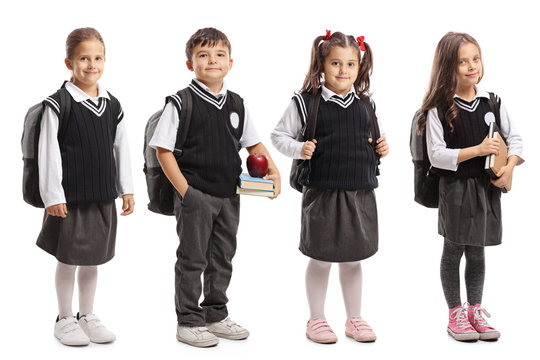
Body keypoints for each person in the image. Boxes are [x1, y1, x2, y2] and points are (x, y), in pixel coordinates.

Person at [149, 27, 281, 348]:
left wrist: (274, 172)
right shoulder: (181, 102)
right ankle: (189, 320)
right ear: (189, 63)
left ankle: (216, 314)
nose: (212, 60)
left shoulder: (237, 104)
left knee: (222, 256)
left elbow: (254, 144)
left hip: (230, 195)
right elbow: (163, 150)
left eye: (220, 54)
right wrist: (185, 192)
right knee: (193, 258)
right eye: (203, 55)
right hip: (195, 195)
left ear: (230, 62)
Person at [271, 30, 388, 344]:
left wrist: (381, 146)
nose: (343, 70)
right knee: (321, 258)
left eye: (351, 64)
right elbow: (279, 136)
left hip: (360, 192)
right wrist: (299, 149)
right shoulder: (306, 102)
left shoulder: (366, 104)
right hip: (322, 192)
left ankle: (354, 318)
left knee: (353, 259)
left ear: (359, 66)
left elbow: (367, 137)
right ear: (321, 64)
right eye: (336, 63)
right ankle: (317, 319)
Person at [417, 32, 524, 341]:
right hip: (455, 190)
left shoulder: (493, 101)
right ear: (446, 67)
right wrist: (477, 150)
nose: (470, 66)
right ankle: (455, 314)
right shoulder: (438, 109)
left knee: (477, 252)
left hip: (485, 188)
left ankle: (475, 310)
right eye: (461, 61)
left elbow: (514, 139)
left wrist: (510, 168)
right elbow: (436, 155)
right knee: (454, 250)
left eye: (474, 58)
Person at [36, 27, 134, 346]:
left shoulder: (113, 105)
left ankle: (87, 315)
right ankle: (64, 317)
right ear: (69, 62)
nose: (91, 65)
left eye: (98, 58)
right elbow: (48, 153)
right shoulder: (58, 104)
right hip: (69, 199)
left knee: (92, 258)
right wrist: (52, 195)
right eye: (83, 58)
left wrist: (126, 189)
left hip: (102, 196)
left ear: (105, 60)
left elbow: (121, 148)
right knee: (68, 258)